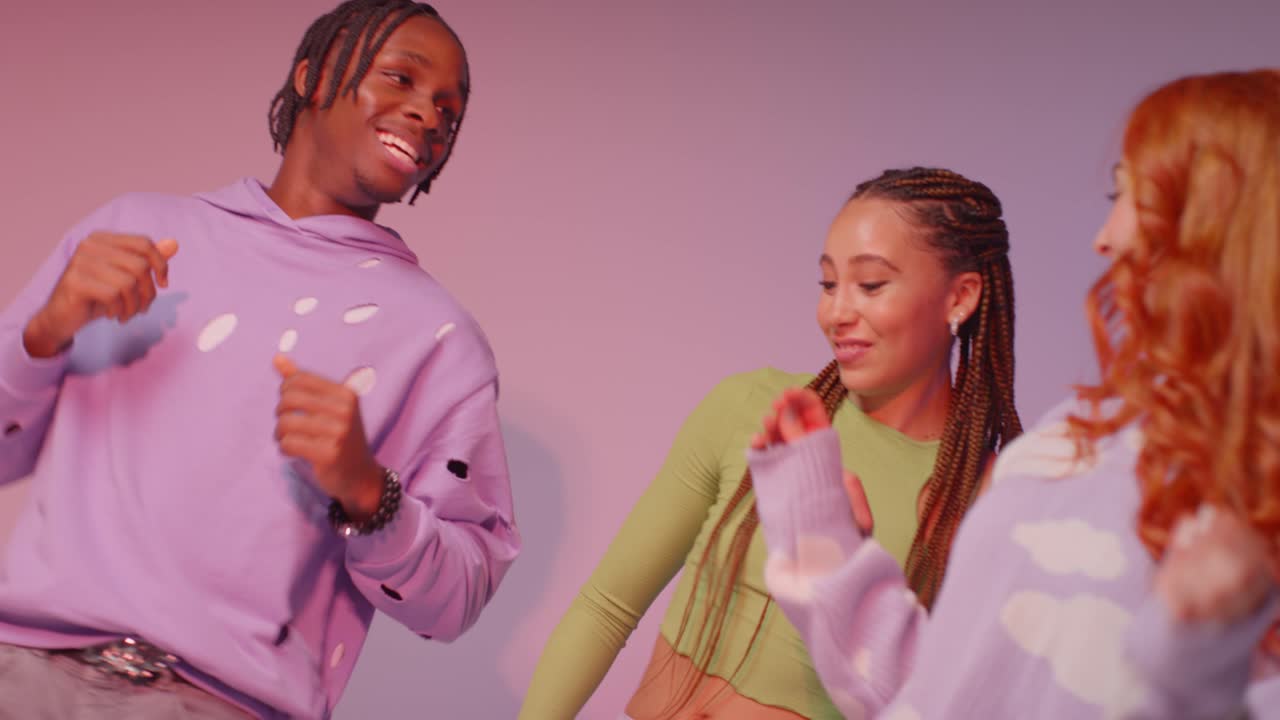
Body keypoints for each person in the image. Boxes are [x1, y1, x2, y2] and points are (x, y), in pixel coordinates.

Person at [0, 1, 519, 717]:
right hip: (20, 671)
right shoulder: (133, 230)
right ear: (312, 75)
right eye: (400, 79)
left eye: (448, 111)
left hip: (220, 703)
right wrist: (43, 335)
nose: (427, 117)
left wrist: (370, 493)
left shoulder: (440, 341)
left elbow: (455, 600)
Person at [747, 68, 1280, 719]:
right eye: (830, 284)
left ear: (1229, 223)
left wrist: (1196, 668)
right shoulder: (1062, 445)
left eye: (1132, 196)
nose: (1103, 238)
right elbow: (938, 698)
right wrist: (819, 538)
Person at [520, 167, 1022, 719]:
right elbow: (607, 606)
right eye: (829, 285)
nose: (837, 312)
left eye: (871, 285)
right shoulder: (753, 408)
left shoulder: (987, 498)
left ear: (961, 296)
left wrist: (844, 576)